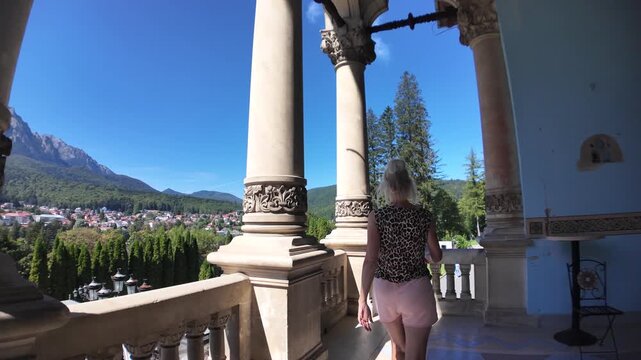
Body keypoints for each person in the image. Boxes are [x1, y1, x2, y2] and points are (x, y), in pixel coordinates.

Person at [358, 159, 442, 360]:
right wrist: (425, 258)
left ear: (386, 186)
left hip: (385, 291)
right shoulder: (423, 216)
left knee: (400, 348)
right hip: (416, 290)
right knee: (415, 355)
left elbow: (370, 260)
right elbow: (437, 256)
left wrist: (362, 300)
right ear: (408, 184)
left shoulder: (376, 217)